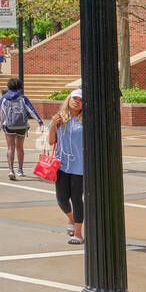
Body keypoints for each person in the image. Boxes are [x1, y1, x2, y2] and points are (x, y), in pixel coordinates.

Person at [49, 89, 85, 244]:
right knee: (62, 199)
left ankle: (78, 233)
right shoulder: (60, 118)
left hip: (80, 166)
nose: (76, 101)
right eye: (74, 98)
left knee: (76, 198)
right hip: (62, 164)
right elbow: (51, 142)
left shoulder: (86, 121)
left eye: (80, 99)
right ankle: (71, 219)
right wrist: (53, 125)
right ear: (69, 100)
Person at [0, 76, 44, 179]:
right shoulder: (23, 98)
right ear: (20, 87)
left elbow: (1, 113)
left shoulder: (4, 98)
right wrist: (40, 122)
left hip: (9, 125)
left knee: (10, 148)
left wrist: (2, 123)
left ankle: (11, 170)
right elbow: (31, 110)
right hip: (22, 125)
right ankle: (20, 169)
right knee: (20, 148)